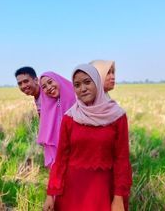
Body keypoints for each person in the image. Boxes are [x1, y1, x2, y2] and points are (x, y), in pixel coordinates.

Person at [43, 64, 132, 211]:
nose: (82, 88)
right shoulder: (70, 117)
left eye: (87, 82)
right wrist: (51, 194)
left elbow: (121, 160)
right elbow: (61, 159)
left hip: (103, 190)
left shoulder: (117, 116)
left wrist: (118, 197)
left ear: (97, 82)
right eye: (77, 85)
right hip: (71, 193)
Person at [38, 72, 76, 168]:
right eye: (44, 87)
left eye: (50, 82)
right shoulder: (48, 107)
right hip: (61, 156)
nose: (49, 87)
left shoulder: (75, 97)